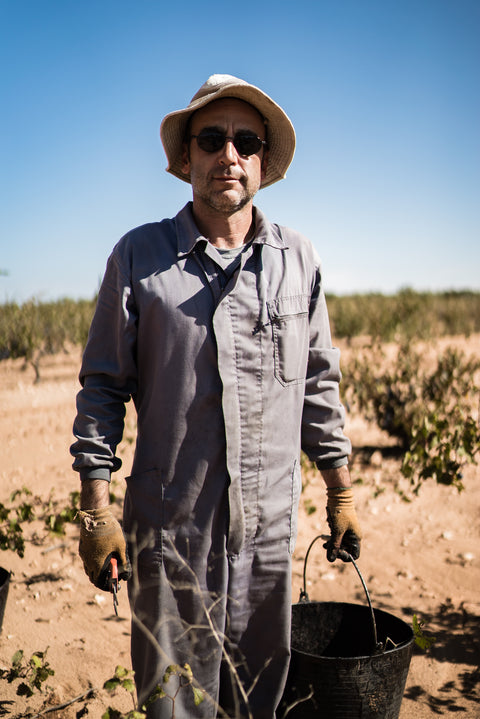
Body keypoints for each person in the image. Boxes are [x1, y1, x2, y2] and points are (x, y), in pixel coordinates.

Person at [71, 74, 362, 719]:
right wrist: (95, 514)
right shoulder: (140, 257)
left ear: (261, 161)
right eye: (212, 139)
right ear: (187, 159)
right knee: (177, 705)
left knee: (260, 703)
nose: (229, 155)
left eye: (246, 142)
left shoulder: (298, 260)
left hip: (267, 542)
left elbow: (318, 385)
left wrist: (340, 494)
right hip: (172, 542)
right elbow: (103, 391)